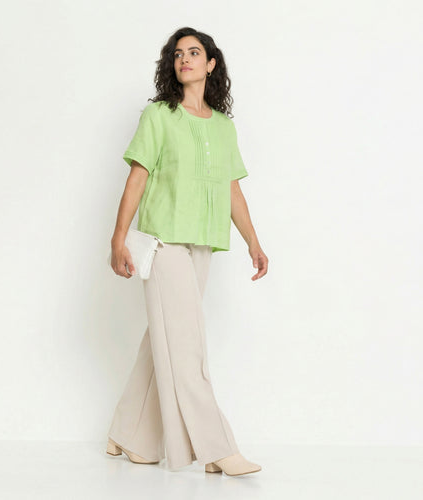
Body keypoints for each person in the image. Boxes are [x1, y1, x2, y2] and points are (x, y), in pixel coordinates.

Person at [106, 27, 268, 476]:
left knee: (163, 340)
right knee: (187, 345)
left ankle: (128, 434)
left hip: (202, 245)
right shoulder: (159, 115)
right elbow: (137, 178)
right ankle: (217, 448)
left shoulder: (223, 126)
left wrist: (253, 241)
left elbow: (232, 189)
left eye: (194, 53)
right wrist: (118, 239)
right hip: (163, 244)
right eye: (178, 54)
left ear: (211, 64)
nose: (185, 59)